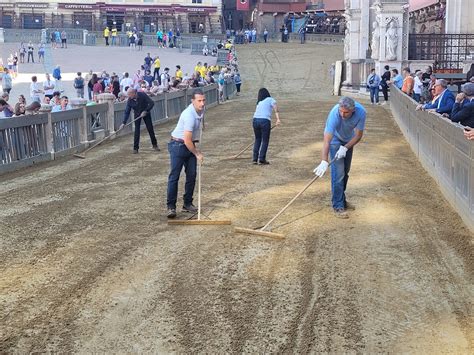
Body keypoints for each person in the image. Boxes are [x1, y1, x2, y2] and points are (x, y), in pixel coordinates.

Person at [313, 96, 366, 218]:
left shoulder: (361, 112)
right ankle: (338, 206)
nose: (342, 114)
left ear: (353, 110)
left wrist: (346, 147)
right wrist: (324, 160)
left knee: (346, 172)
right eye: (341, 111)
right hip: (335, 141)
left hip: (349, 141)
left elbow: (358, 135)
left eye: (346, 112)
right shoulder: (334, 114)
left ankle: (342, 200)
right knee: (338, 174)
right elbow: (327, 140)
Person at [166, 89, 206, 218]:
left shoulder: (201, 110)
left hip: (189, 144)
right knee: (174, 176)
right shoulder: (188, 115)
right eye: (199, 101)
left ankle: (187, 203)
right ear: (192, 101)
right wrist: (197, 153)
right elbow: (187, 140)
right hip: (178, 145)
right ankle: (171, 207)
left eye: (203, 100)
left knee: (192, 175)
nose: (202, 103)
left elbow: (199, 123)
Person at [119, 88, 160, 154]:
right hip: (137, 114)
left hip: (145, 113)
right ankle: (135, 148)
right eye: (128, 95)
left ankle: (154, 145)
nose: (128, 96)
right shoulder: (129, 101)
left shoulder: (142, 95)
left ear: (134, 93)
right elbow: (127, 112)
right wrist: (124, 122)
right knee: (137, 130)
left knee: (150, 129)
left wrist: (146, 111)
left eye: (129, 94)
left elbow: (152, 103)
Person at [252, 88, 281, 165]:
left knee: (257, 139)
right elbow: (276, 109)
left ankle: (255, 159)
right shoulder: (270, 99)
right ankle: (261, 159)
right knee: (265, 140)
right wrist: (278, 119)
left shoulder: (259, 102)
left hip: (255, 120)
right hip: (264, 121)